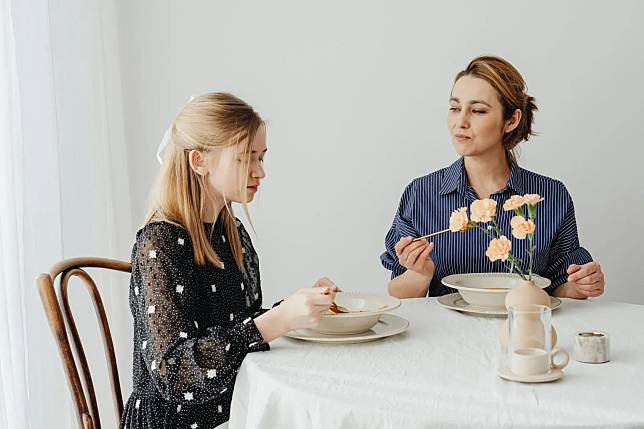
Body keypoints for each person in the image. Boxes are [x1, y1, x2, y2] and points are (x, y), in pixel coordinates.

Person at [119, 93, 338, 429]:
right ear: (199, 162)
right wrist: (275, 322)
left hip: (233, 410)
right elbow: (173, 373)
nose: (260, 172)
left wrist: (298, 308)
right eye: (245, 159)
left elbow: (239, 327)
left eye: (262, 158)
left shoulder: (230, 232)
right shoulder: (160, 244)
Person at [381, 56, 605, 300]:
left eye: (477, 111)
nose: (461, 122)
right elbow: (398, 293)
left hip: (523, 334)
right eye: (455, 108)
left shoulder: (549, 195)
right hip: (449, 336)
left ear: (511, 120)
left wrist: (583, 284)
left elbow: (561, 289)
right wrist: (419, 275)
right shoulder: (421, 193)